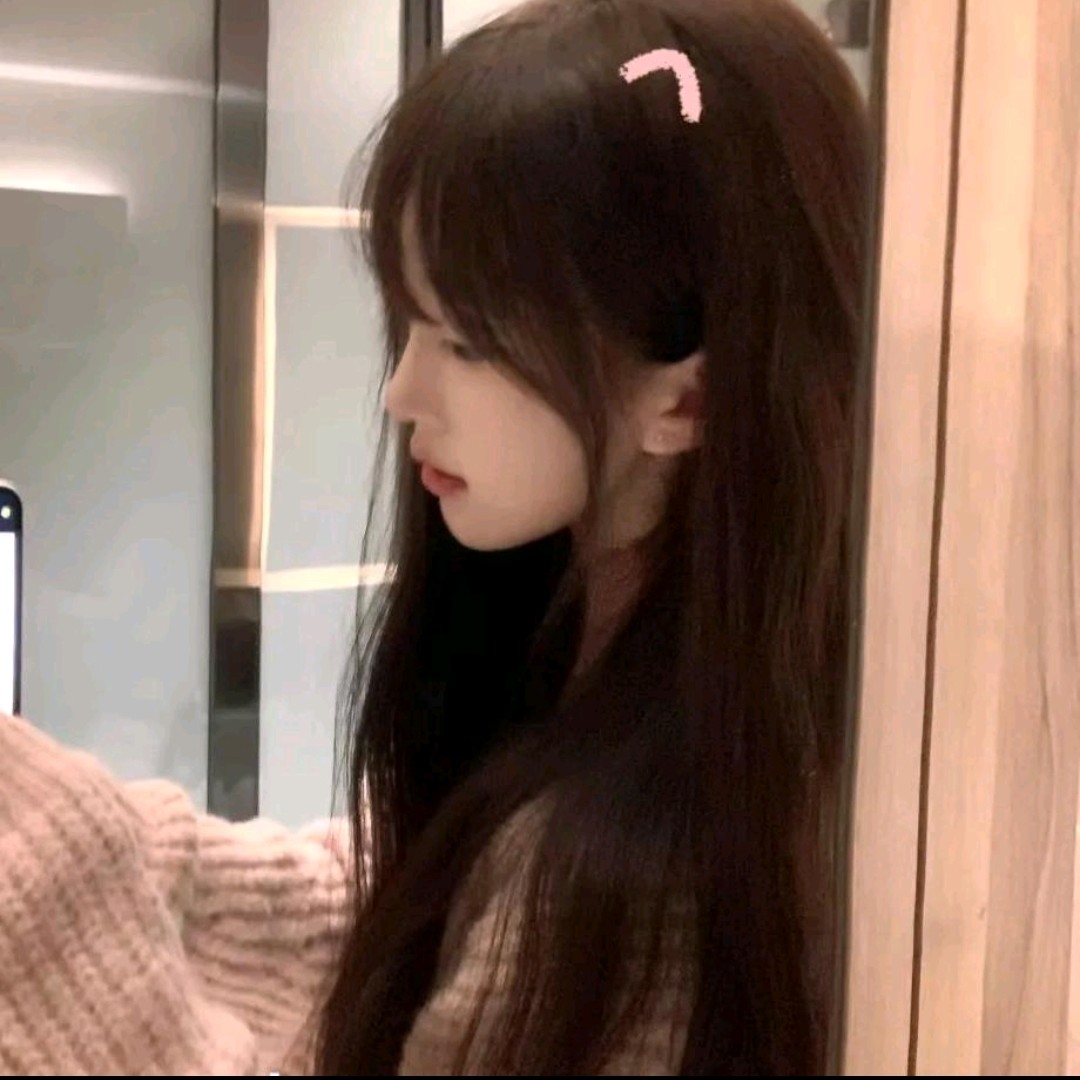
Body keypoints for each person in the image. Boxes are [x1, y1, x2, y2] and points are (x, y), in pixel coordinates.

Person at [0, 0, 869, 1073]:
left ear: (687, 398)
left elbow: (507, 912)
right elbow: (415, 886)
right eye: (408, 323)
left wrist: (53, 910)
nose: (404, 391)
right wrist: (66, 827)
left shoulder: (637, 892)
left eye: (466, 342)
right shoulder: (650, 692)